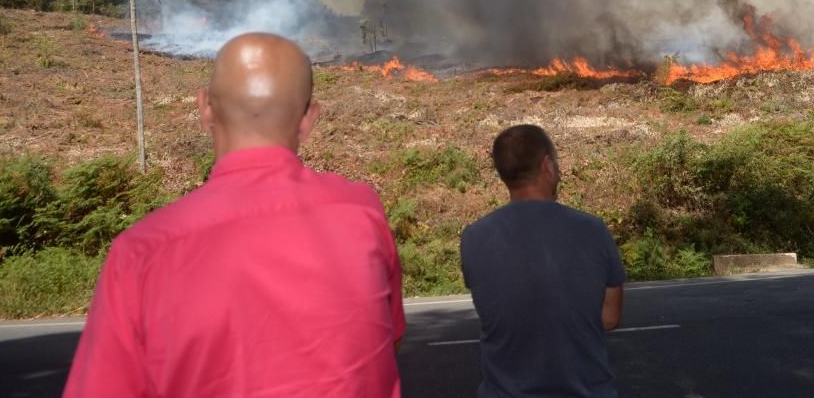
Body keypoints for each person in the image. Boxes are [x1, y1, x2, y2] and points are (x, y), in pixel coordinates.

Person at [65, 33, 405, 397]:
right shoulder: (362, 216)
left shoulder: (140, 254)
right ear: (308, 119)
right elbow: (388, 339)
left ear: (205, 108)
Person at [460, 124, 626, 398]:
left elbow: (494, 310)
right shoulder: (592, 230)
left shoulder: (474, 237)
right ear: (547, 165)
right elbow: (610, 317)